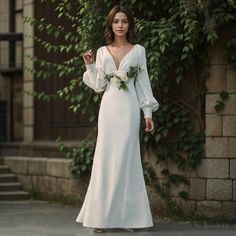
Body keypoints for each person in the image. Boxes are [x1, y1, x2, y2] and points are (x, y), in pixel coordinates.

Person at [76, 5, 159, 233]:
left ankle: (131, 219)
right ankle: (100, 219)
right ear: (111, 25)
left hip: (129, 109)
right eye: (116, 21)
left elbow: (143, 84)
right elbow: (98, 86)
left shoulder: (139, 51)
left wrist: (148, 113)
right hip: (109, 109)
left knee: (128, 160)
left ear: (129, 24)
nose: (120, 25)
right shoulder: (102, 52)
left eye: (124, 21)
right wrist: (90, 65)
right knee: (105, 160)